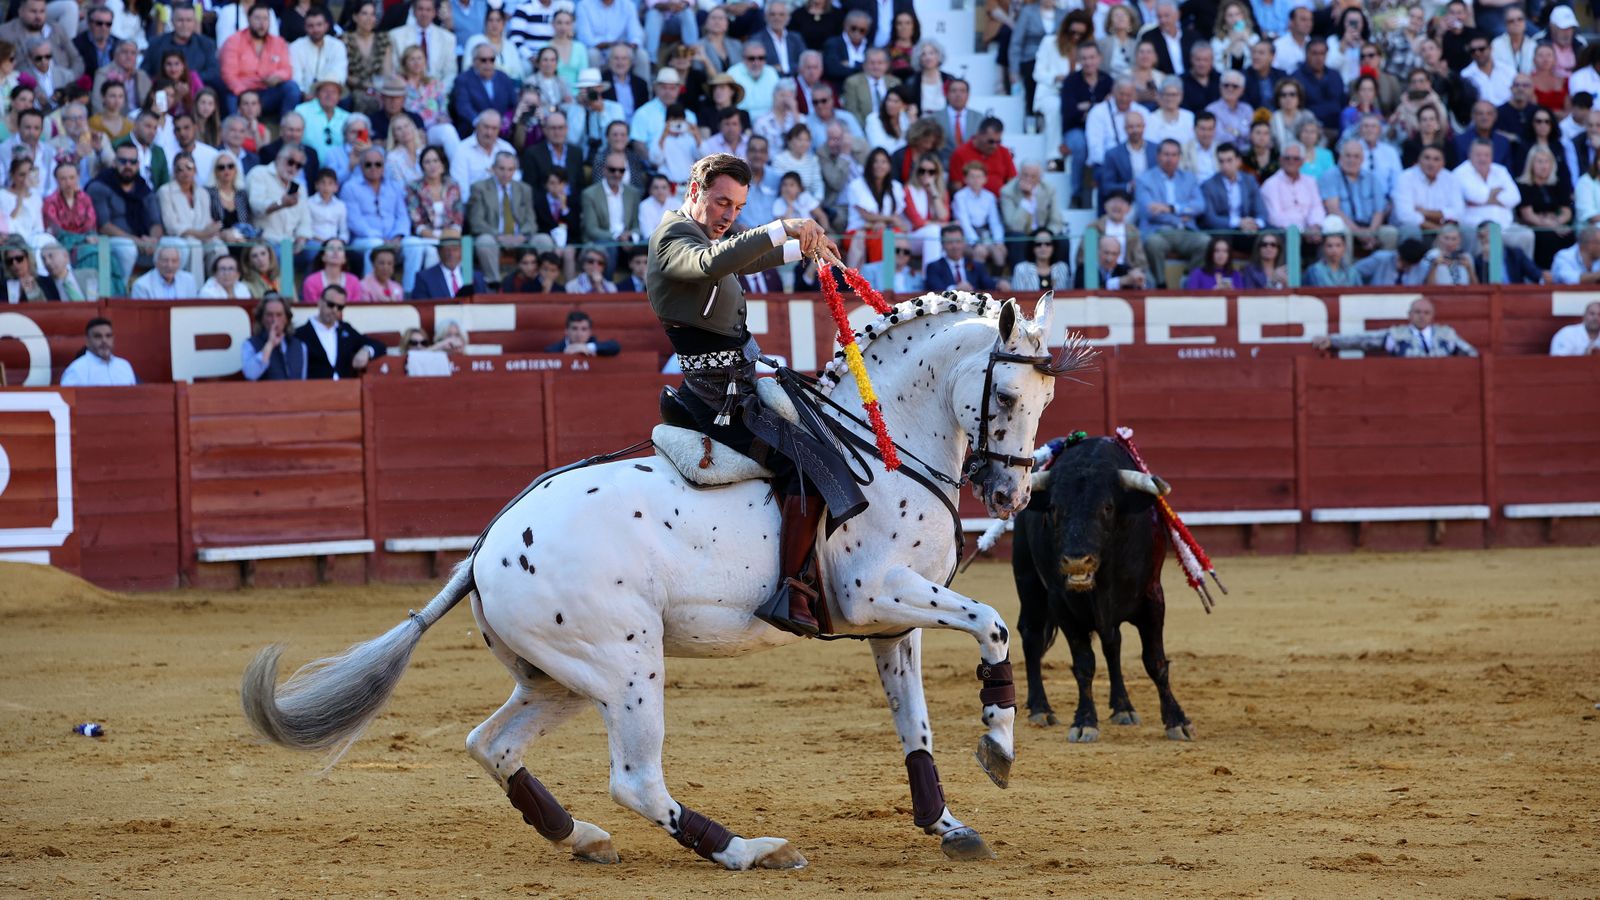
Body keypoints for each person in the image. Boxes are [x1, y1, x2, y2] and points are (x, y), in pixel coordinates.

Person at [644, 151, 845, 636]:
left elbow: (744, 252)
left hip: (741, 379)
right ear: (695, 191)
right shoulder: (674, 237)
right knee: (807, 466)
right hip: (717, 395)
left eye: (736, 208)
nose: (728, 216)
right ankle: (792, 591)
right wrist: (782, 226)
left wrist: (803, 245)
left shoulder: (705, 232)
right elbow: (711, 263)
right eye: (720, 203)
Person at [1136, 139, 1208, 286]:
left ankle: (1189, 279)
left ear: (1179, 157)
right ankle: (1160, 284)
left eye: (1174, 155)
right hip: (1158, 231)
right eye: (1166, 154)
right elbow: (1149, 211)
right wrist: (1181, 216)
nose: (1170, 159)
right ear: (1158, 156)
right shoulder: (1144, 179)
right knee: (1152, 243)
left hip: (1185, 231)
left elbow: (1200, 206)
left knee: (1205, 242)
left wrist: (1171, 208)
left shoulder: (1189, 178)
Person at [87, 143, 162, 285]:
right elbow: (104, 226)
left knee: (175, 246)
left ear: (138, 164)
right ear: (115, 163)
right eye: (123, 161)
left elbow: (155, 222)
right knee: (127, 249)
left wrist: (152, 240)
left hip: (144, 242)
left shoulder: (143, 187)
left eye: (132, 162)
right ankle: (120, 294)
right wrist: (137, 241)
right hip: (111, 242)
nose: (128, 165)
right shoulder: (100, 186)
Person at [1312, 297, 1478, 357]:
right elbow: (1364, 339)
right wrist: (1332, 340)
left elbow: (1471, 354)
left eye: (1426, 313)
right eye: (1418, 312)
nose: (1422, 316)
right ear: (1409, 315)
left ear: (1432, 316)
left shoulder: (1446, 334)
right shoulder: (1397, 334)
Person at [466, 151, 537, 289]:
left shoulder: (524, 189)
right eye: (502, 169)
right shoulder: (479, 188)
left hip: (519, 237)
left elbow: (531, 221)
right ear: (493, 168)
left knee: (543, 240)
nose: (506, 173)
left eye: (510, 169)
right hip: (494, 237)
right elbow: (476, 222)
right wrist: (499, 236)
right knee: (484, 242)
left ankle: (538, 284)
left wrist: (521, 236)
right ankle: (495, 285)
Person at [220, 3, 300, 118]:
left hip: (267, 92)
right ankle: (237, 130)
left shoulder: (278, 42)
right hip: (242, 92)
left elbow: (287, 69)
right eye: (257, 18)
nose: (262, 23)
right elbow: (228, 75)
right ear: (248, 19)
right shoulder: (233, 41)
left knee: (291, 88)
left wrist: (278, 76)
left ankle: (286, 126)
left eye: (265, 19)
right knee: (231, 97)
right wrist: (244, 93)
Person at [157, 152, 223, 285]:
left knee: (219, 246)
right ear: (174, 172)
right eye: (179, 169)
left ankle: (216, 287)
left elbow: (207, 221)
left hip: (201, 237)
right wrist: (202, 234)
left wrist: (213, 229)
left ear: (195, 170)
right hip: (178, 239)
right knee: (195, 246)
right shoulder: (165, 191)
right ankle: (195, 290)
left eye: (189, 167)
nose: (185, 172)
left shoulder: (202, 192)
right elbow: (172, 226)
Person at [293, 285, 386, 378]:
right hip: (316, 390)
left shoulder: (345, 330)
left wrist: (367, 351)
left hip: (346, 389)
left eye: (340, 307)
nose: (334, 310)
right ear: (320, 302)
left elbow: (379, 345)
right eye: (330, 304)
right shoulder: (300, 334)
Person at [243, 293, 308, 380]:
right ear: (262, 318)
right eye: (269, 315)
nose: (274, 320)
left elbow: (303, 380)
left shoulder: (300, 346)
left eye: (279, 315)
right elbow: (251, 374)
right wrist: (270, 344)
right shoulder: (250, 344)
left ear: (286, 318)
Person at [60, 316, 136, 385]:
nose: (104, 341)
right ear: (87, 341)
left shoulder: (124, 366)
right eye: (98, 336)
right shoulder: (77, 369)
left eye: (108, 336)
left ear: (113, 339)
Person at [924, 223, 1000, 292]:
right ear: (942, 244)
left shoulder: (976, 266)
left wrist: (1000, 284)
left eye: (958, 241)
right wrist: (956, 289)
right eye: (950, 242)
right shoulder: (934, 267)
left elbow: (989, 284)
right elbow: (935, 290)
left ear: (964, 243)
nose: (955, 246)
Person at [413, 238, 486, 298]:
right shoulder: (424, 278)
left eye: (455, 249)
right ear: (439, 252)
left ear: (461, 251)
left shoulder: (476, 277)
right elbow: (422, 307)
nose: (451, 254)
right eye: (447, 250)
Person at [1302, 217, 1362, 286]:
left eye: (1338, 245)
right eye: (1329, 246)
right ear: (1323, 247)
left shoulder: (1352, 272)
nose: (1334, 250)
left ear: (1344, 247)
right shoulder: (1314, 271)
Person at [1072, 233, 1146, 288]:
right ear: (1098, 252)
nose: (1109, 258)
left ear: (1119, 255)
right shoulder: (1084, 269)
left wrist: (1139, 281)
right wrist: (1119, 282)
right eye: (1106, 253)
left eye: (1114, 254)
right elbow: (1086, 291)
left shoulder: (1124, 270)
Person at [1011, 226, 1069, 290]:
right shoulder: (1021, 269)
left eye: (1048, 244)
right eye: (1038, 244)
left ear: (1054, 247)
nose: (1043, 248)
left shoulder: (1062, 268)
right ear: (1032, 247)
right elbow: (1019, 298)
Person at [131, 244, 198, 298]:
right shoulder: (141, 286)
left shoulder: (189, 280)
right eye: (165, 260)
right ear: (156, 263)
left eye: (174, 261)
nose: (169, 265)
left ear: (179, 263)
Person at [545, 310, 621, 356]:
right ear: (566, 331)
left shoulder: (593, 344)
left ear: (590, 332)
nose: (579, 334)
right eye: (574, 329)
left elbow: (615, 346)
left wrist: (587, 347)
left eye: (584, 329)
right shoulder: (553, 350)